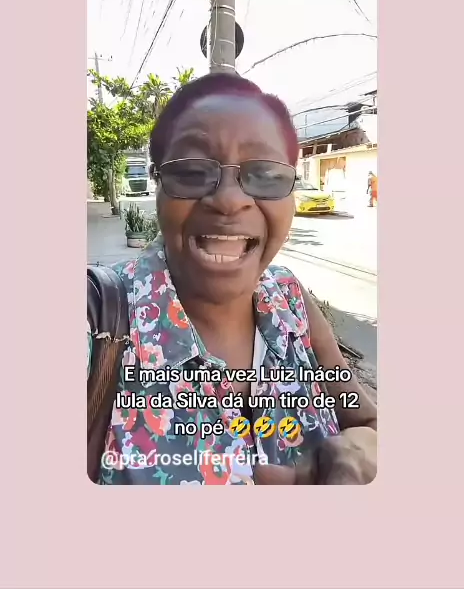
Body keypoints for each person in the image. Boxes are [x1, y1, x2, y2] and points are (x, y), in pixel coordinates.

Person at [88, 72, 377, 485]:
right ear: (158, 185)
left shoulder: (289, 299)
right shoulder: (98, 318)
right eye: (191, 171)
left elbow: (365, 419)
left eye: (266, 174)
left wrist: (360, 452)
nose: (228, 199)